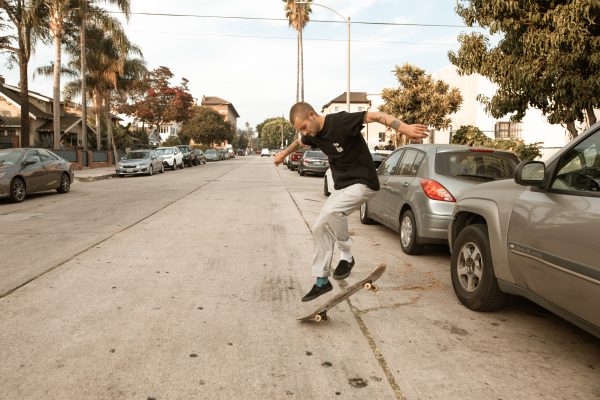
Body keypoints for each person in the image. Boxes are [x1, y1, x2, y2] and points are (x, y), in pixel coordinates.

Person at [274, 102, 428, 302]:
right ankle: (321, 281)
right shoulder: (312, 135)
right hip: (343, 188)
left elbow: (377, 116)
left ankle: (346, 255)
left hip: (364, 182)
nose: (305, 132)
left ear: (312, 115)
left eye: (304, 127)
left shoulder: (341, 121)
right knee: (319, 226)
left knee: (332, 213)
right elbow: (298, 143)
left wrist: (405, 128)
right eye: (300, 130)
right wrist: (282, 155)